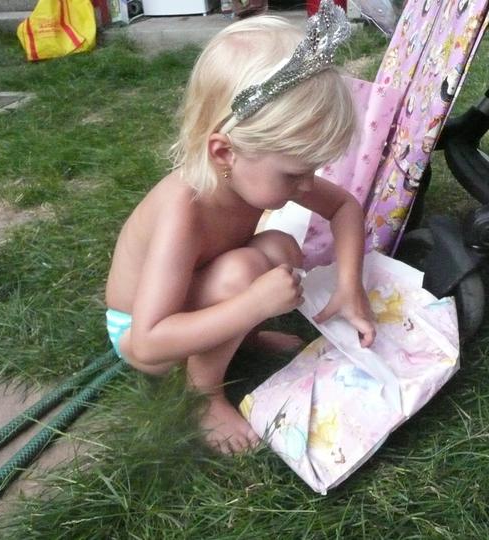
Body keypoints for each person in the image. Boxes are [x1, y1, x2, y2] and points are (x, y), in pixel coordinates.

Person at [104, 3, 376, 454]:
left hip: (190, 303)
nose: (307, 186)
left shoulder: (253, 168)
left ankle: (239, 338)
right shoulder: (183, 208)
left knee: (279, 248)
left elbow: (344, 206)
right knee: (244, 272)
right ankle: (201, 396)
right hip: (142, 334)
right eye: (294, 174)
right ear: (224, 153)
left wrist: (351, 287)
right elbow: (149, 342)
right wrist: (253, 304)